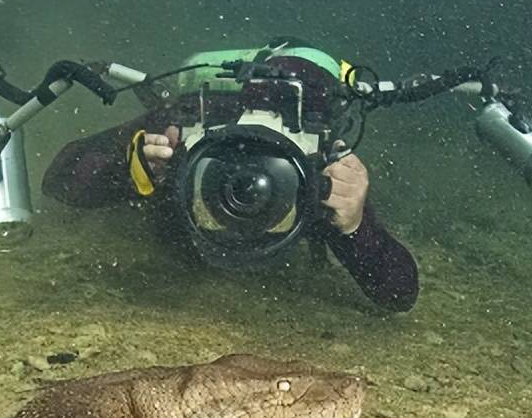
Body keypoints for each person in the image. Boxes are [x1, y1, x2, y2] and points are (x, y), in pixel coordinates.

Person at [41, 49, 419, 313]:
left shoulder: (315, 173)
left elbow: (398, 292)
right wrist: (127, 171)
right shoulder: (181, 135)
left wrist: (354, 224)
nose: (248, 182)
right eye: (228, 162)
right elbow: (59, 180)